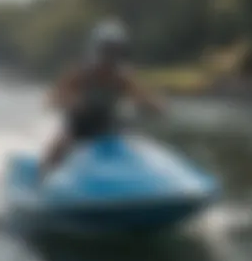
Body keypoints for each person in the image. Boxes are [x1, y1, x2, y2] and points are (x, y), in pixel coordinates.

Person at [39, 19, 165, 181]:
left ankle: (142, 181)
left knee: (138, 142)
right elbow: (54, 97)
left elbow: (142, 96)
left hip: (108, 125)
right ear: (97, 49)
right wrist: (71, 102)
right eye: (107, 50)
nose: (111, 57)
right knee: (62, 143)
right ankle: (43, 179)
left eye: (115, 51)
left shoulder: (122, 78)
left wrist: (155, 105)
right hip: (80, 125)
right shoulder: (81, 74)